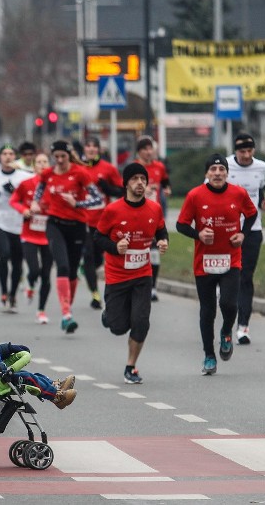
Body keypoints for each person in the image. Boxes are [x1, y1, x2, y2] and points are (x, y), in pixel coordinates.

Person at [176, 154, 258, 375]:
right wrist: (198, 234)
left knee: (230, 305)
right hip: (204, 263)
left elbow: (252, 214)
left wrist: (242, 234)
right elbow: (181, 225)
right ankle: (209, 355)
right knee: (207, 310)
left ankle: (226, 332)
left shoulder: (238, 193)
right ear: (206, 174)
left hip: (231, 259)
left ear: (227, 173)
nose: (218, 173)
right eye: (213, 169)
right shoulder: (195, 195)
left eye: (221, 169)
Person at [94, 163, 168, 384]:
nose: (140, 183)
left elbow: (160, 229)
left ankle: (131, 366)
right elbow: (98, 238)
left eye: (143, 179)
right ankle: (109, 316)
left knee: (141, 321)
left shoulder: (154, 209)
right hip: (117, 276)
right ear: (126, 183)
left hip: (142, 276)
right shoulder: (113, 210)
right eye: (135, 179)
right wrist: (115, 247)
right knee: (117, 327)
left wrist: (163, 241)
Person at [32, 140, 103, 333]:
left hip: (78, 226)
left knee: (72, 271)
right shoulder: (48, 173)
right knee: (62, 265)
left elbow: (98, 199)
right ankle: (66, 314)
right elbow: (38, 190)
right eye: (57, 157)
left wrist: (77, 203)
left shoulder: (80, 173)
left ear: (69, 155)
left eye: (63, 156)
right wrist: (35, 203)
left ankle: (67, 310)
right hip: (55, 225)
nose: (60, 160)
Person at [0, 302, 77, 409]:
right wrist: (7, 369)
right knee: (28, 378)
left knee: (33, 376)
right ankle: (56, 396)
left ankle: (54, 385)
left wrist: (8, 348)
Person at [226, 133, 265, 345]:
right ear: (235, 151)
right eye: (241, 151)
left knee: (246, 275)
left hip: (253, 229)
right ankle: (225, 303)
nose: (246, 155)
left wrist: (263, 203)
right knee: (230, 276)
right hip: (227, 229)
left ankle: (243, 326)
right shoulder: (224, 166)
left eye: (249, 151)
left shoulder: (261, 167)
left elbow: (258, 190)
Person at [0, 145, 32, 312]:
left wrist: (16, 192)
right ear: (0, 157)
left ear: (15, 157)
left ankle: (12, 294)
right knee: (4, 254)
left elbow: (32, 195)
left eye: (11, 154)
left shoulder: (24, 177)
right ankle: (3, 292)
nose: (8, 157)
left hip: (18, 224)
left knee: (17, 262)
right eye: (4, 154)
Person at [80, 137, 124, 310]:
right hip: (83, 220)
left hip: (103, 222)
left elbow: (121, 192)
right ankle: (95, 295)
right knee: (89, 256)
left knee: (98, 258)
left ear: (99, 149)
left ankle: (86, 269)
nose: (91, 149)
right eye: (88, 146)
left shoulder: (108, 168)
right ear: (84, 150)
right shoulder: (78, 168)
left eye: (94, 146)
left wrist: (107, 188)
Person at [10, 152, 53, 324]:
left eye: (45, 162)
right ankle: (30, 284)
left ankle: (41, 311)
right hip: (29, 234)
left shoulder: (54, 186)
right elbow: (14, 200)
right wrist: (24, 210)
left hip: (49, 235)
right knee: (34, 269)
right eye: (39, 162)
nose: (42, 165)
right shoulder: (26, 184)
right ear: (34, 166)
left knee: (47, 274)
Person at [132, 137, 171, 302]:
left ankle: (152, 288)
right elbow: (123, 186)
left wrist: (167, 190)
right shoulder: (134, 167)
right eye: (145, 149)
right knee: (139, 252)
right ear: (139, 151)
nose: (149, 152)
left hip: (154, 215)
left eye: (151, 149)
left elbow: (165, 181)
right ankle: (136, 284)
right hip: (136, 214)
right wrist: (142, 188)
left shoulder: (159, 167)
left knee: (155, 253)